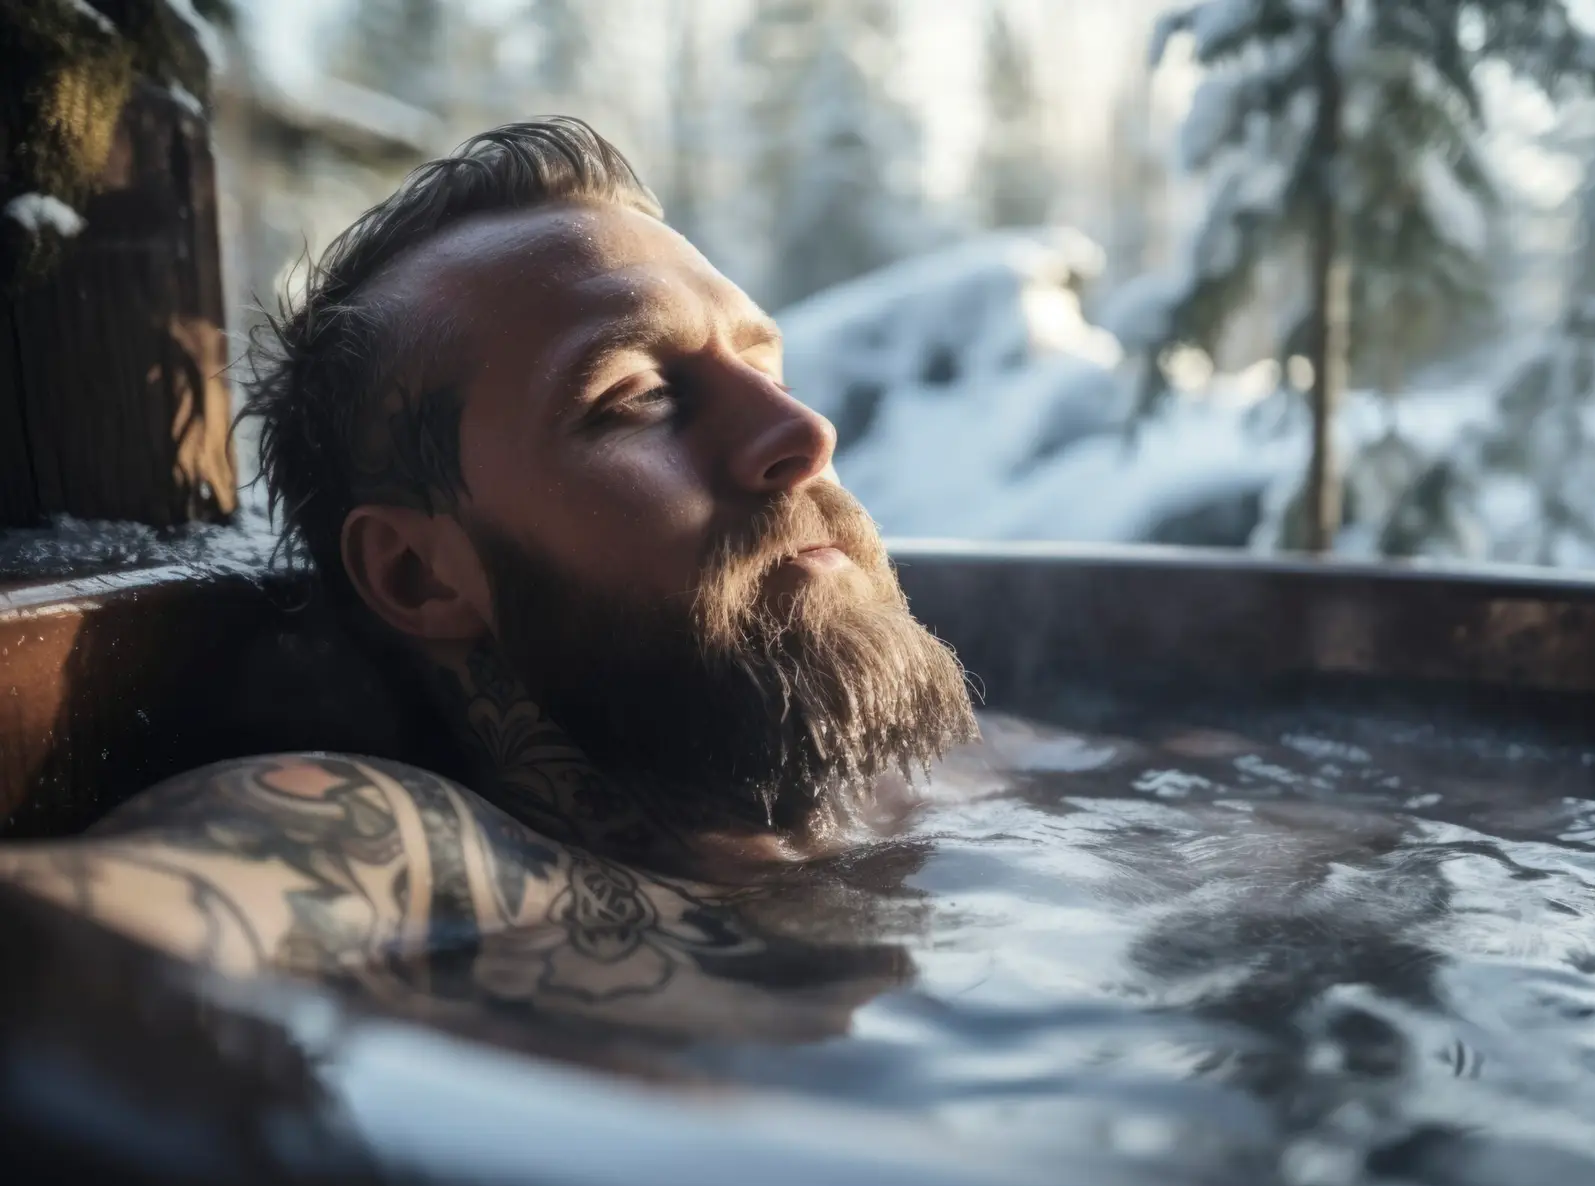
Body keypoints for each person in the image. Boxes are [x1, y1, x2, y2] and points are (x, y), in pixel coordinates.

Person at [0, 118, 977, 1038]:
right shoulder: (407, 855)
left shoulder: (943, 775)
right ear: (420, 573)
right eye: (637, 396)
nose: (804, 434)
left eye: (771, 371)